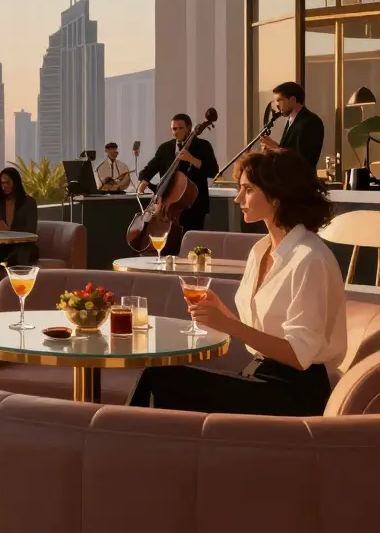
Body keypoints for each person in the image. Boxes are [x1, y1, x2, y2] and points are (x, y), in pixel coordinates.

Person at [128, 149, 344, 416]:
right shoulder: (261, 250)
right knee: (160, 378)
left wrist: (228, 324)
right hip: (261, 376)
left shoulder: (310, 259)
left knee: (160, 381)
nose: (237, 198)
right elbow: (262, 334)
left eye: (248, 189)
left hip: (293, 393)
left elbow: (299, 356)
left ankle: (117, 453)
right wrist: (221, 312)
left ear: (276, 196)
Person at [137, 113, 219, 256]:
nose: (177, 132)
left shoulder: (203, 146)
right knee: (167, 247)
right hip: (168, 206)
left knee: (192, 246)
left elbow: (213, 171)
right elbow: (149, 169)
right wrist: (144, 181)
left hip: (194, 205)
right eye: (174, 129)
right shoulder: (165, 148)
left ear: (189, 128)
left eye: (180, 128)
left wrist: (192, 159)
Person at [0, 166, 40, 268]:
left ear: (16, 183)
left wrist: (8, 230)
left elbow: (30, 230)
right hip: (4, 246)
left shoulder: (29, 202)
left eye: (7, 183)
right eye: (2, 183)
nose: (4, 186)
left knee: (17, 256)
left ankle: (9, 271)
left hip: (24, 247)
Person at [260, 81, 325, 168]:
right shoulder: (290, 120)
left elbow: (304, 160)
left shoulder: (311, 122)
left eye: (279, 100)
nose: (277, 105)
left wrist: (276, 148)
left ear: (292, 100)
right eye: (275, 101)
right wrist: (271, 152)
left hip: (301, 180)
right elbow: (289, 152)